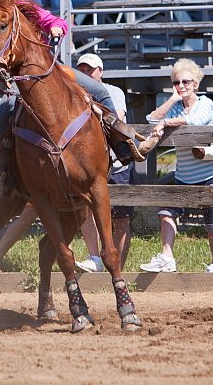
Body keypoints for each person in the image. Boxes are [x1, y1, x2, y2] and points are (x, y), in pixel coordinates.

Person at [0, 0, 156, 196]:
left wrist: (57, 28)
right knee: (3, 114)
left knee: (98, 91)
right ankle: (0, 175)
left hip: (51, 69)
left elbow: (55, 21)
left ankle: (122, 144)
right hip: (19, 81)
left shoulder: (24, 8)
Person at [143, 58, 213, 273]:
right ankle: (167, 257)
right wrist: (171, 100)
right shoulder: (175, 106)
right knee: (166, 211)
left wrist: (166, 123)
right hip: (184, 175)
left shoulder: (205, 103)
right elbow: (151, 119)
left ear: (196, 83)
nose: (181, 86)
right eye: (176, 83)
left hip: (210, 174)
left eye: (186, 82)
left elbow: (196, 121)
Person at [73, 53, 134, 273]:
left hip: (114, 163)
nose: (87, 74)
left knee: (119, 217)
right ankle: (94, 257)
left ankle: (118, 265)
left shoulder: (112, 92)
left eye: (91, 70)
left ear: (101, 71)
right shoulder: (75, 92)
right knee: (87, 211)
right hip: (87, 163)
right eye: (82, 70)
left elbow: (115, 117)